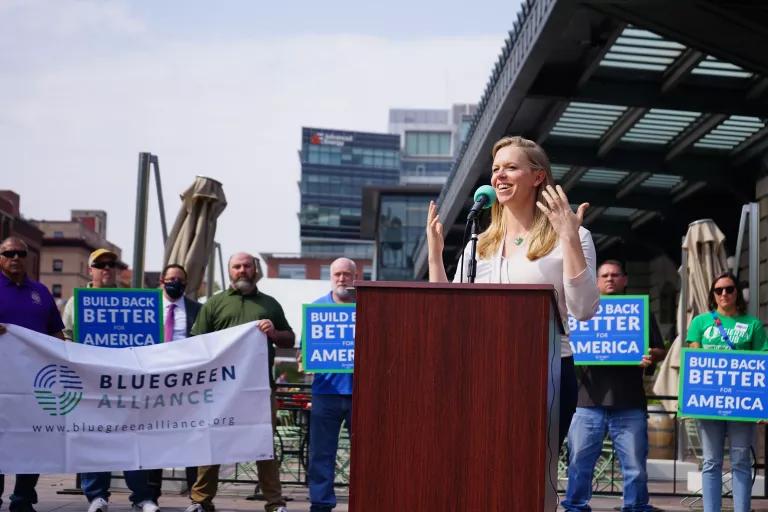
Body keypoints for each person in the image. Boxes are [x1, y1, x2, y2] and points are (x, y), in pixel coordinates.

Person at [426, 135, 599, 449]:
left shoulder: (572, 234)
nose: (499, 176)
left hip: (545, 372)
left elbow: (584, 308)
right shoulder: (480, 242)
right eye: (496, 169)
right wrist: (434, 256)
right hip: (482, 369)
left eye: (510, 168)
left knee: (529, 477)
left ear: (537, 176)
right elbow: (449, 310)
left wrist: (570, 239)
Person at [186, 252, 294, 512]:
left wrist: (275, 332)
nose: (242, 270)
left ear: (255, 270)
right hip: (219, 388)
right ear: (229, 271)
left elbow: (289, 340)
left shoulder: (270, 304)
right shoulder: (214, 303)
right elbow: (197, 343)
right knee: (211, 440)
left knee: (263, 444)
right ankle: (201, 501)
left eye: (247, 266)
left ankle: (275, 503)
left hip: (258, 389)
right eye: (237, 266)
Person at [562, 260, 667, 512]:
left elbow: (660, 349)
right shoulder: (579, 310)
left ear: (625, 280)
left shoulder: (640, 311)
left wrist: (650, 355)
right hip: (587, 402)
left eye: (615, 275)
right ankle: (575, 507)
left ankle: (636, 506)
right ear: (596, 281)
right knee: (579, 463)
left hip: (629, 402)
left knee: (634, 466)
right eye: (605, 275)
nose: (610, 279)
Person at [62, 248, 160, 512]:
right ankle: (96, 496)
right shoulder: (75, 302)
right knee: (95, 439)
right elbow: (67, 338)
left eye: (111, 264)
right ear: (90, 269)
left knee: (133, 438)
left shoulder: (133, 299)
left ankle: (141, 496)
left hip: (127, 385)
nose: (107, 268)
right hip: (91, 384)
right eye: (100, 264)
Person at [686, 272, 767, 512]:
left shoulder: (753, 324)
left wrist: (763, 404)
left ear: (737, 292)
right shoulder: (700, 322)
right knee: (711, 462)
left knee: (741, 461)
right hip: (709, 402)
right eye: (718, 290)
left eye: (729, 289)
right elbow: (694, 360)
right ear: (712, 294)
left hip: (742, 403)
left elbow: (762, 363)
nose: (724, 294)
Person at [0, 237, 65, 512]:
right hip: (2, 384)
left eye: (20, 253)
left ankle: (23, 498)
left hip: (34, 384)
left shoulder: (40, 291)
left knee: (33, 439)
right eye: (8, 253)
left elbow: (56, 335)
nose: (15, 257)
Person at [146, 264, 203, 496]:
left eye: (180, 280)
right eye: (171, 279)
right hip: (152, 381)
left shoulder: (198, 310)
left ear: (186, 284)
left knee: (191, 437)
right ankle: (150, 494)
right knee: (152, 437)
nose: (175, 283)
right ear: (161, 281)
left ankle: (195, 494)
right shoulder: (146, 306)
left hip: (186, 382)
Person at [307, 257, 356, 512]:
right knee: (321, 454)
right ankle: (321, 504)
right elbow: (306, 352)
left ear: (355, 277)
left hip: (361, 394)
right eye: (337, 274)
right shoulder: (316, 309)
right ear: (330, 277)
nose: (342, 279)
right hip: (325, 394)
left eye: (347, 274)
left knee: (364, 455)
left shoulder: (367, 307)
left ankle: (364, 500)